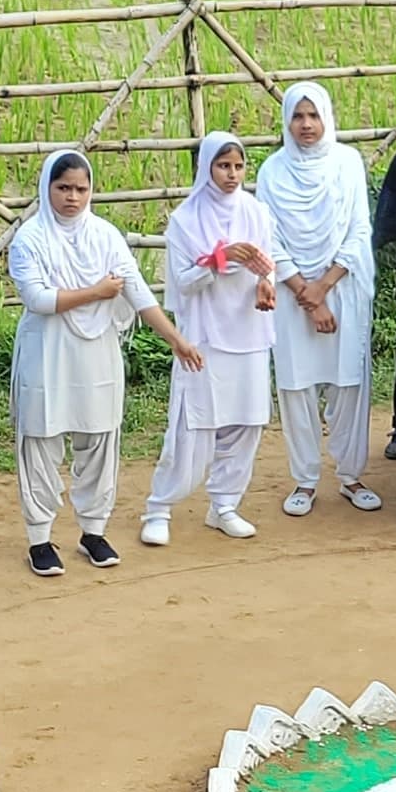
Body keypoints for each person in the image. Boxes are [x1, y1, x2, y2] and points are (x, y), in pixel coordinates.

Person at [9, 150, 196, 577]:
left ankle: (93, 531)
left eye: (81, 189)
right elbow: (38, 299)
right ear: (47, 188)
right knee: (39, 439)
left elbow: (138, 293)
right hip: (47, 352)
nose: (72, 198)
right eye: (63, 188)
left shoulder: (105, 236)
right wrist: (95, 292)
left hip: (97, 351)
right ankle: (40, 537)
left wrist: (176, 340)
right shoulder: (31, 239)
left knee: (100, 437)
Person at [147, 130, 284, 545]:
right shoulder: (185, 220)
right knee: (195, 424)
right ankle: (159, 506)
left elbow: (267, 261)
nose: (232, 174)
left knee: (247, 421)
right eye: (223, 166)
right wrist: (221, 259)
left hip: (249, 331)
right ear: (207, 167)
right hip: (205, 333)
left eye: (239, 166)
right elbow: (183, 282)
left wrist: (267, 283)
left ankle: (224, 503)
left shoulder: (256, 212)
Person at [258, 82, 388, 518]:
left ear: (327, 118)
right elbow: (268, 239)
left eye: (314, 116)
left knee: (349, 380)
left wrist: (325, 286)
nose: (307, 125)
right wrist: (306, 294)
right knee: (296, 384)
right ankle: (304, 479)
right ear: (287, 122)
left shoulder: (347, 163)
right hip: (292, 293)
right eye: (298, 116)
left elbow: (358, 231)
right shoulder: (272, 173)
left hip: (344, 288)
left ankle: (350, 476)